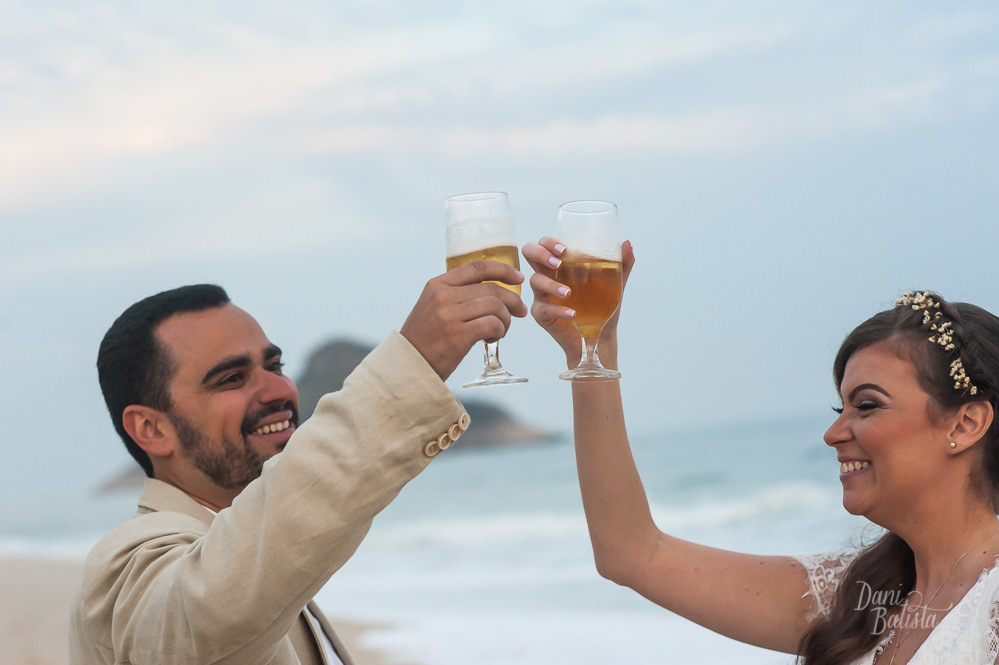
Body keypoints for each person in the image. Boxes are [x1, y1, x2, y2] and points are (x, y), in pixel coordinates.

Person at [523, 236, 999, 665]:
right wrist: (594, 352)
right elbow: (631, 554)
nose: (834, 433)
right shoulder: (857, 597)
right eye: (841, 407)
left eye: (867, 406)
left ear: (967, 422)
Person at [69, 261, 527, 665]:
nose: (277, 391)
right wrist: (416, 362)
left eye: (274, 366)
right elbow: (214, 610)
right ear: (151, 429)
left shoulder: (238, 540)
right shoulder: (128, 567)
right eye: (231, 379)